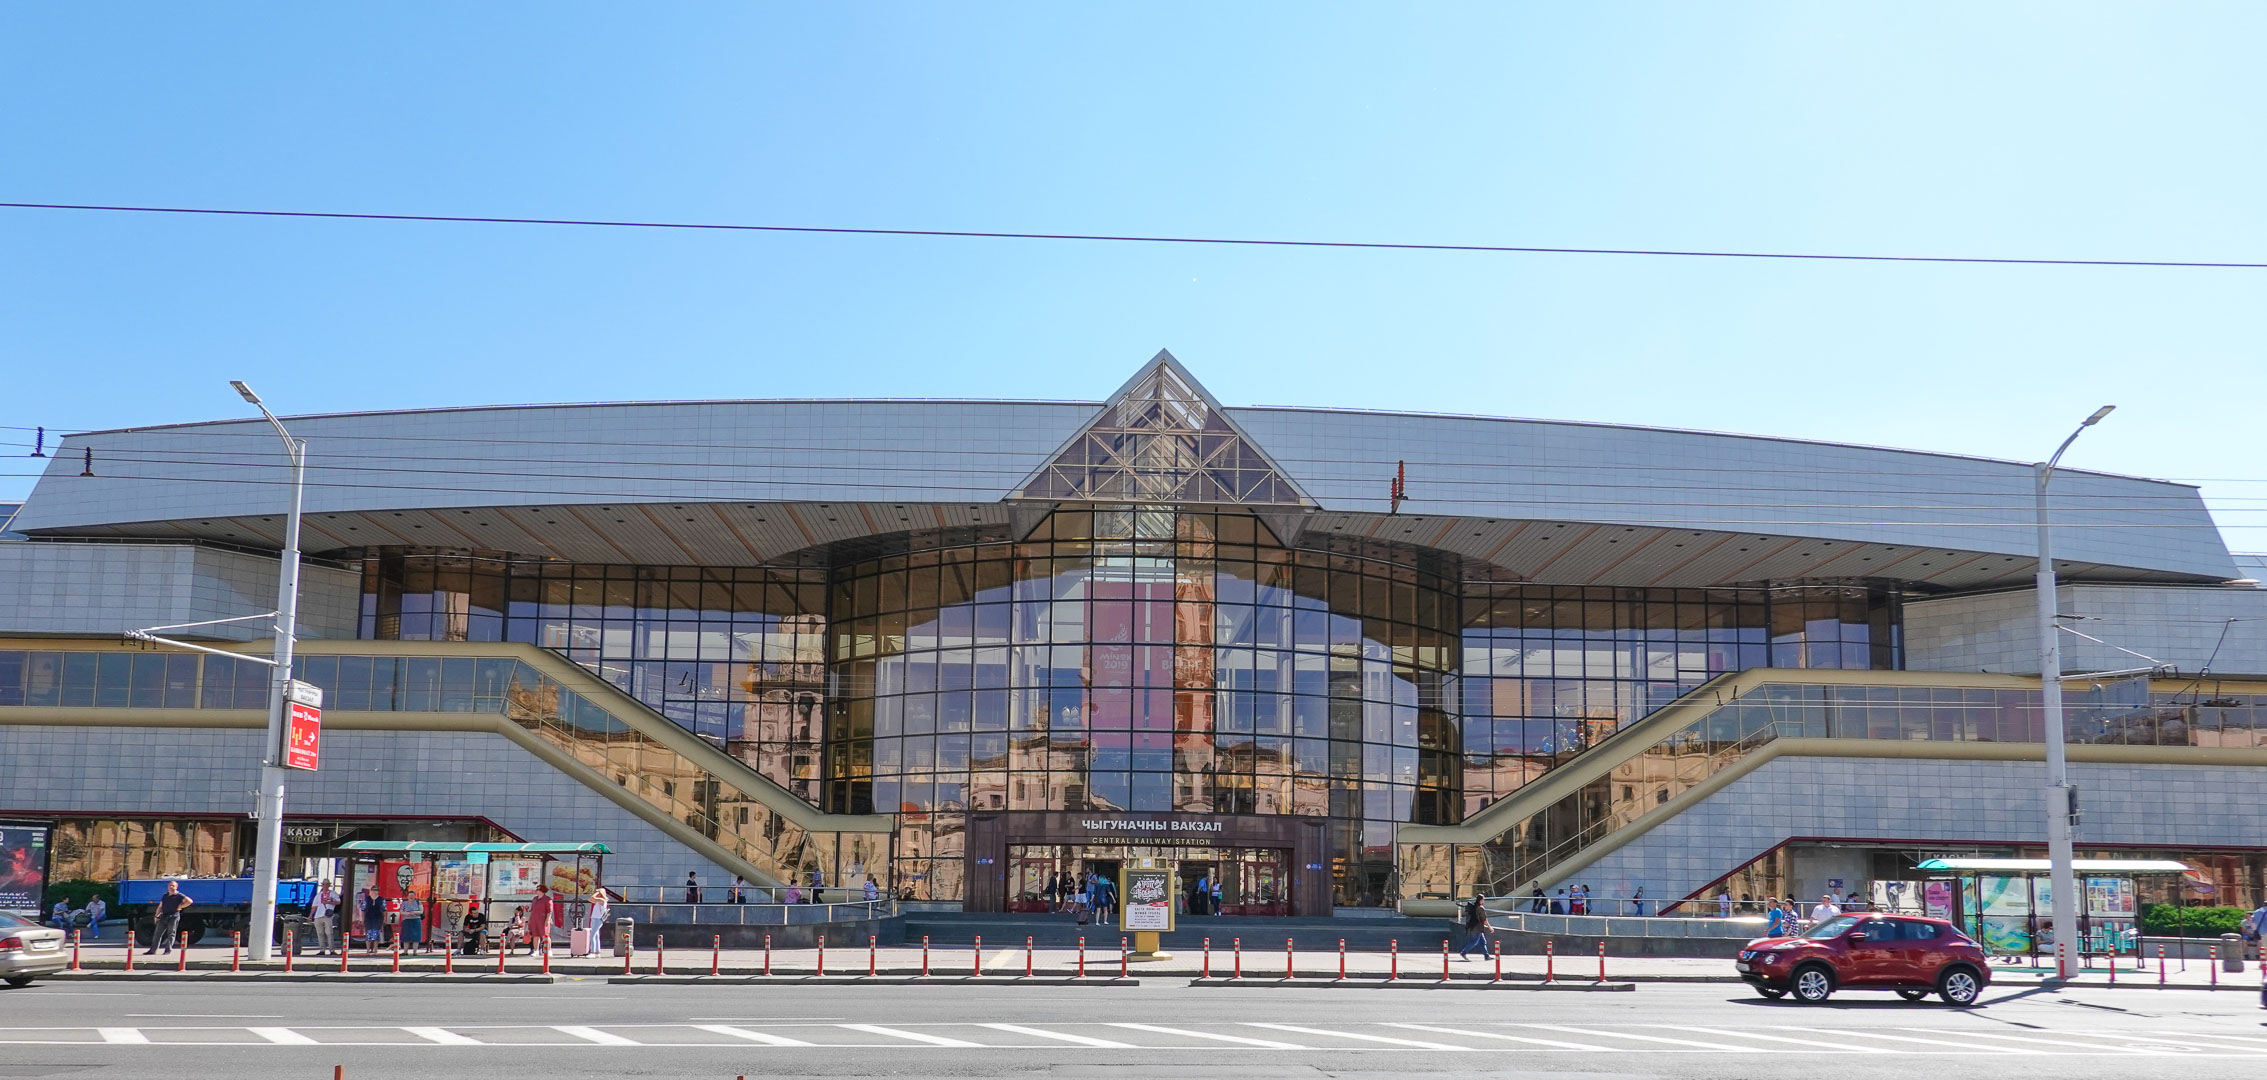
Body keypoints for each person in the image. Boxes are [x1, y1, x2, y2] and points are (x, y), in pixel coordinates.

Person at [148, 880, 192, 954]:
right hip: (164, 916)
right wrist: (156, 916)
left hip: (174, 916)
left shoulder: (179, 895)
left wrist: (180, 907)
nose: (171, 887)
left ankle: (168, 950)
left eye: (173, 886)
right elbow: (160, 906)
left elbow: (190, 901)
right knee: (157, 933)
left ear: (176, 887)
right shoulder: (165, 896)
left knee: (171, 933)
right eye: (170, 885)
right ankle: (153, 950)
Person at [308, 882, 337, 955]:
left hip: (327, 915)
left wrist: (330, 902)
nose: (325, 886)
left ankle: (332, 950)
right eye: (324, 884)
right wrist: (310, 915)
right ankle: (322, 950)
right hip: (318, 916)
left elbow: (338, 902)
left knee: (329, 933)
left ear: (329, 885)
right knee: (320, 933)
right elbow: (314, 906)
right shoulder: (318, 895)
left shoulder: (333, 894)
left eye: (327, 884)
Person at [526, 885, 554, 955]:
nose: (537, 891)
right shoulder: (535, 899)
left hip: (543, 919)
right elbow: (532, 910)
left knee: (545, 935)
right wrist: (529, 919)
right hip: (534, 919)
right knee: (535, 935)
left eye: (538, 890)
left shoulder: (547, 899)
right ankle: (536, 951)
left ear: (542, 891)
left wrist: (548, 919)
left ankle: (549, 950)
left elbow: (549, 911)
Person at [586, 888, 611, 953]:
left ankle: (593, 951)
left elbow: (592, 897)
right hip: (594, 918)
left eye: (598, 893)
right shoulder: (598, 901)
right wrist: (598, 893)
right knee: (596, 936)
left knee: (592, 936)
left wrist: (597, 892)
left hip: (597, 919)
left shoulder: (602, 900)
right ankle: (597, 951)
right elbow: (590, 899)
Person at [359, 887, 384, 953]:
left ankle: (375, 949)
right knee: (368, 933)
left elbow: (384, 910)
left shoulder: (381, 900)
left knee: (376, 933)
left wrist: (384, 920)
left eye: (376, 890)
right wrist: (362, 919)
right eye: (373, 890)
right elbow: (362, 910)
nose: (374, 892)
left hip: (378, 918)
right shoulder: (366, 899)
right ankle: (368, 949)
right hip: (368, 918)